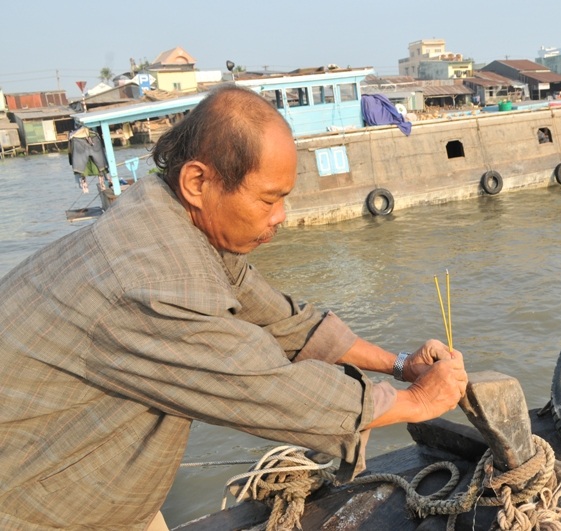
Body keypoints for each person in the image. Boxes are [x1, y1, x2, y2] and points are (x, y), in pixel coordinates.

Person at [0, 85, 468, 530]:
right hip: (32, 505)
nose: (281, 215)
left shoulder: (173, 227)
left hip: (88, 485)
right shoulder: (154, 283)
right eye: (269, 198)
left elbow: (284, 321)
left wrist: (400, 365)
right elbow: (269, 388)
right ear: (198, 181)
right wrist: (419, 403)